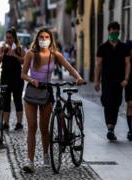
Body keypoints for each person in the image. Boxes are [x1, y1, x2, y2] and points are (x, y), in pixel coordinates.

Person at [21, 27, 84, 172]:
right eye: (41, 37)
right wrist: (31, 80)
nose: (43, 40)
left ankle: (45, 156)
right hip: (31, 92)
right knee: (32, 126)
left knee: (44, 128)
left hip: (47, 93)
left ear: (50, 39)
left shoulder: (55, 54)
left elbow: (69, 67)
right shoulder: (31, 54)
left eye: (46, 37)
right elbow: (23, 74)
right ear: (37, 39)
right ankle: (29, 160)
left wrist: (78, 77)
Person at [94, 21, 130, 141]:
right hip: (107, 81)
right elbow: (98, 64)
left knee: (116, 104)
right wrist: (96, 81)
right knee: (107, 103)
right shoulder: (102, 47)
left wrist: (126, 79)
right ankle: (110, 128)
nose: (114, 34)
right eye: (112, 32)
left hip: (119, 82)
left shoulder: (124, 47)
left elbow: (127, 63)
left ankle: (112, 127)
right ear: (108, 32)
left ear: (119, 32)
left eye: (116, 32)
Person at [0, 27, 25, 130]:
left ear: (14, 38)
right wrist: (3, 54)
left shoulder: (19, 49)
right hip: (5, 78)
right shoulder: (3, 48)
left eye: (10, 38)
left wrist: (15, 55)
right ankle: (6, 123)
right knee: (6, 101)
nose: (8, 40)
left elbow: (24, 61)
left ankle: (19, 123)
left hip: (17, 78)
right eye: (6, 38)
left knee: (18, 100)